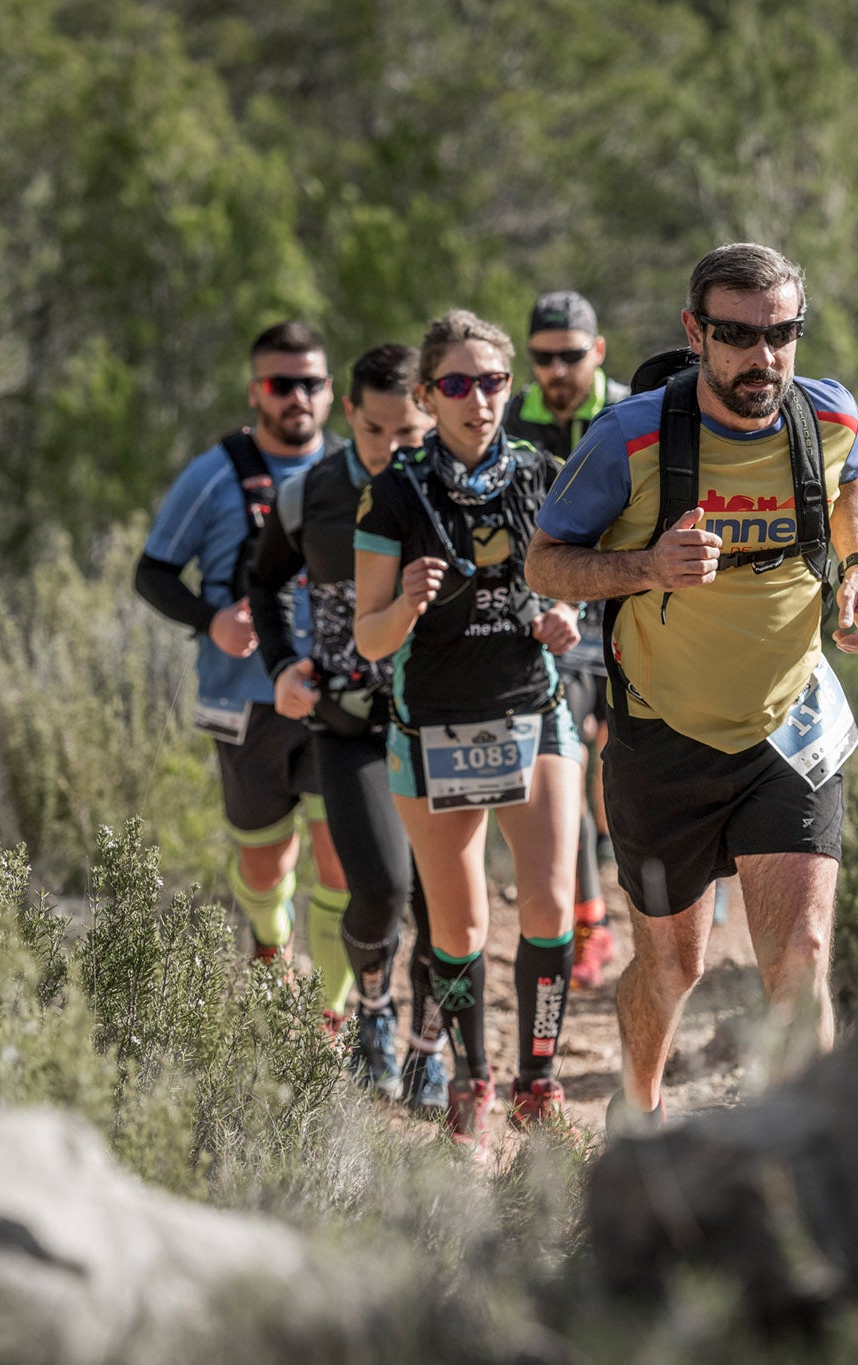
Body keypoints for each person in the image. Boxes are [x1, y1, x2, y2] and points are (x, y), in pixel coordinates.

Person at [523, 243, 858, 1132]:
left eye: (782, 334)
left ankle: (809, 1155)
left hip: (788, 729)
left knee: (800, 954)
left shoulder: (828, 416)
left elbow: (856, 478)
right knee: (672, 967)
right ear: (697, 333)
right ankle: (637, 1110)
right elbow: (545, 562)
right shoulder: (632, 437)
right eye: (737, 336)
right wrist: (647, 564)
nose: (762, 358)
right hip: (664, 738)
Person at [354, 309, 586, 1149]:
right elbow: (368, 638)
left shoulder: (542, 471)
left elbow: (576, 575)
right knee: (458, 930)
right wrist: (408, 602)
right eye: (456, 384)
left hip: (535, 708)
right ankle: (470, 1078)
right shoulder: (394, 491)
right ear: (426, 395)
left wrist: (566, 610)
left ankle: (540, 1079)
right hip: (433, 729)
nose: (477, 399)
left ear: (508, 387)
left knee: (552, 907)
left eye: (492, 382)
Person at [248, 344, 452, 1109]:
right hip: (350, 724)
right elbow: (262, 582)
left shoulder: (454, 490)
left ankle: (431, 1049)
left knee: (442, 903)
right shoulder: (312, 494)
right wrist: (281, 668)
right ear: (351, 418)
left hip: (442, 723)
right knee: (382, 885)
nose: (394, 449)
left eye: (410, 434)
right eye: (376, 433)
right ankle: (374, 1011)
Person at [134, 322, 351, 1021]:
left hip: (335, 699)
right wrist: (211, 620)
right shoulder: (215, 473)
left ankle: (331, 1018)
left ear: (330, 391)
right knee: (266, 863)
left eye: (311, 383)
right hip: (244, 701)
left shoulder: (352, 471)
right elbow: (153, 572)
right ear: (255, 391)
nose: (297, 397)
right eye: (280, 384)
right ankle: (268, 942)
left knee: (341, 860)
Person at [503, 290, 631, 992]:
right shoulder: (510, 415)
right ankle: (591, 922)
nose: (557, 370)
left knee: (633, 758)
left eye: (571, 357)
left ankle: (688, 887)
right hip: (555, 618)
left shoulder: (629, 409)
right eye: (544, 358)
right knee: (566, 754)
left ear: (599, 351)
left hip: (631, 606)